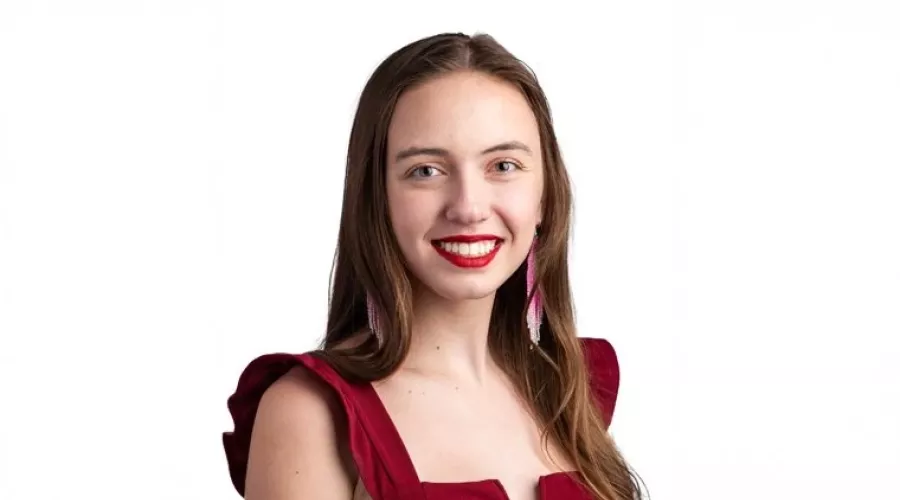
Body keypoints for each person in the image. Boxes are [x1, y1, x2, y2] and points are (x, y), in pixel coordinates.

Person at [222, 32, 643, 500]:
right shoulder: (311, 413)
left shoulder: (568, 391)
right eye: (426, 170)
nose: (468, 207)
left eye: (503, 166)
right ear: (376, 198)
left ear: (545, 196)